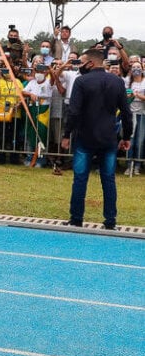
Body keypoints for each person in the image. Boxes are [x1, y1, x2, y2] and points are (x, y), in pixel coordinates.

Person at [61, 49, 133, 230]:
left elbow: (74, 111)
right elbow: (126, 112)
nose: (80, 65)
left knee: (80, 179)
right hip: (108, 138)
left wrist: (66, 134)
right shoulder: (117, 81)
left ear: (91, 63)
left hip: (84, 137)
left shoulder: (81, 81)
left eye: (82, 62)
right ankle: (110, 221)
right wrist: (126, 136)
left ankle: (76, 219)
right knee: (108, 179)